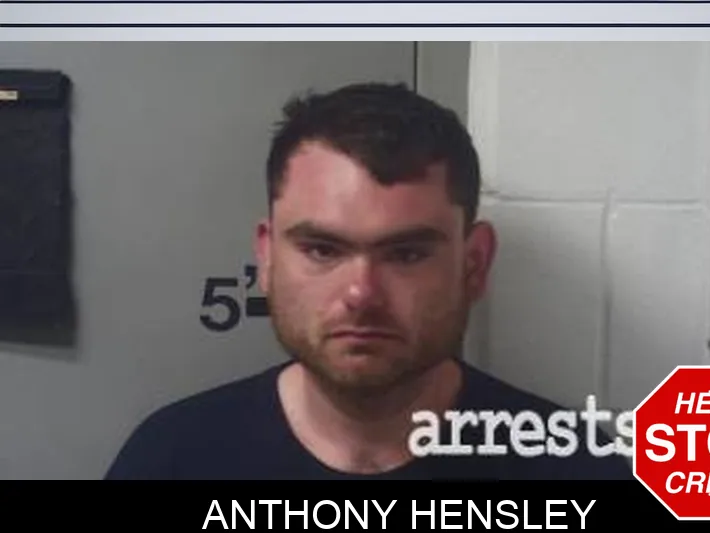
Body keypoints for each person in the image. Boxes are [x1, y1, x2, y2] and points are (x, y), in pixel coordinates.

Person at [105, 82, 632, 480]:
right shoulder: (170, 459)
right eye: (322, 249)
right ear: (266, 259)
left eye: (406, 254)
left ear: (474, 265)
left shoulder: (578, 471)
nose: (361, 294)